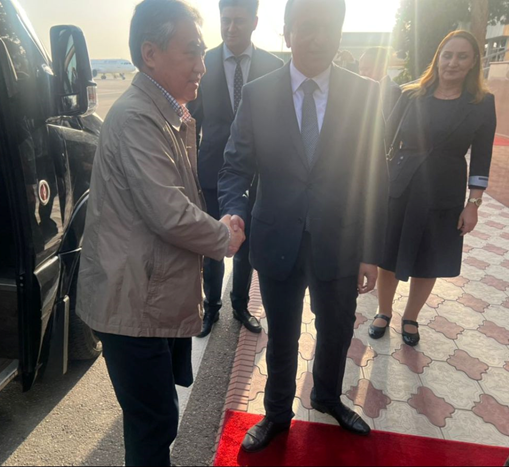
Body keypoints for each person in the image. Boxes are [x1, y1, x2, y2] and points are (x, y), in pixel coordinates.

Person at [75, 1, 245, 465]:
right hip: (133, 301)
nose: (201, 66)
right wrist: (223, 237)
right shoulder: (138, 117)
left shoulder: (164, 113)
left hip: (146, 294)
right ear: (150, 53)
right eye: (192, 51)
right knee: (153, 423)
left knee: (154, 420)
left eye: (202, 52)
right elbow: (168, 211)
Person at [218, 0, 388, 452]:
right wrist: (233, 211)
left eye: (328, 28)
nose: (317, 38)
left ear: (340, 33)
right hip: (277, 238)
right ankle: (277, 414)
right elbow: (235, 166)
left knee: (337, 329)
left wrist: (370, 250)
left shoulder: (364, 95)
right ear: (287, 32)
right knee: (282, 334)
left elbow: (374, 177)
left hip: (340, 240)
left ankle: (327, 396)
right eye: (307, 27)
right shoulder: (258, 94)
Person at [370, 30, 496, 347]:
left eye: (462, 56)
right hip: (401, 184)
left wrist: (473, 204)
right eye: (447, 55)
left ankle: (410, 316)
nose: (453, 63)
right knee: (388, 253)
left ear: (473, 63)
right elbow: (382, 140)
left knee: (429, 257)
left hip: (445, 190)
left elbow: (482, 157)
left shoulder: (482, 103)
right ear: (437, 58)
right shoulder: (410, 94)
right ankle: (383, 310)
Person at [188, 0, 283, 338]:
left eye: (239, 21)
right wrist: (189, 169)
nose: (231, 28)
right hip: (213, 173)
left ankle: (240, 305)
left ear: (255, 22)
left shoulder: (274, 67)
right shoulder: (204, 63)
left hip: (259, 176)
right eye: (225, 20)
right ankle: (211, 307)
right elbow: (192, 121)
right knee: (213, 243)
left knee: (247, 245)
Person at [359, 46, 402, 118]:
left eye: (366, 69)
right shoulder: (366, 89)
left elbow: (384, 122)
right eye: (360, 69)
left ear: (382, 67)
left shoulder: (392, 91)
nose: (361, 74)